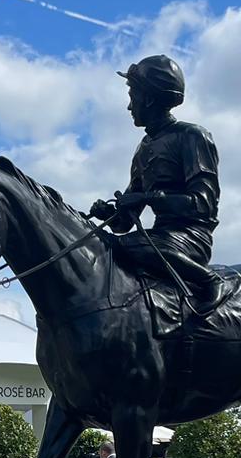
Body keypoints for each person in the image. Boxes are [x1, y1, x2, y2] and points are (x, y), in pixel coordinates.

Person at [89, 54, 224, 313]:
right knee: (107, 245)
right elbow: (124, 224)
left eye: (133, 97)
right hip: (158, 238)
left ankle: (208, 280)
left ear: (149, 99)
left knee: (131, 245)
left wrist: (148, 198)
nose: (129, 107)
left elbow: (203, 204)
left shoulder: (192, 136)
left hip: (190, 238)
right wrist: (109, 213)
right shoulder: (143, 148)